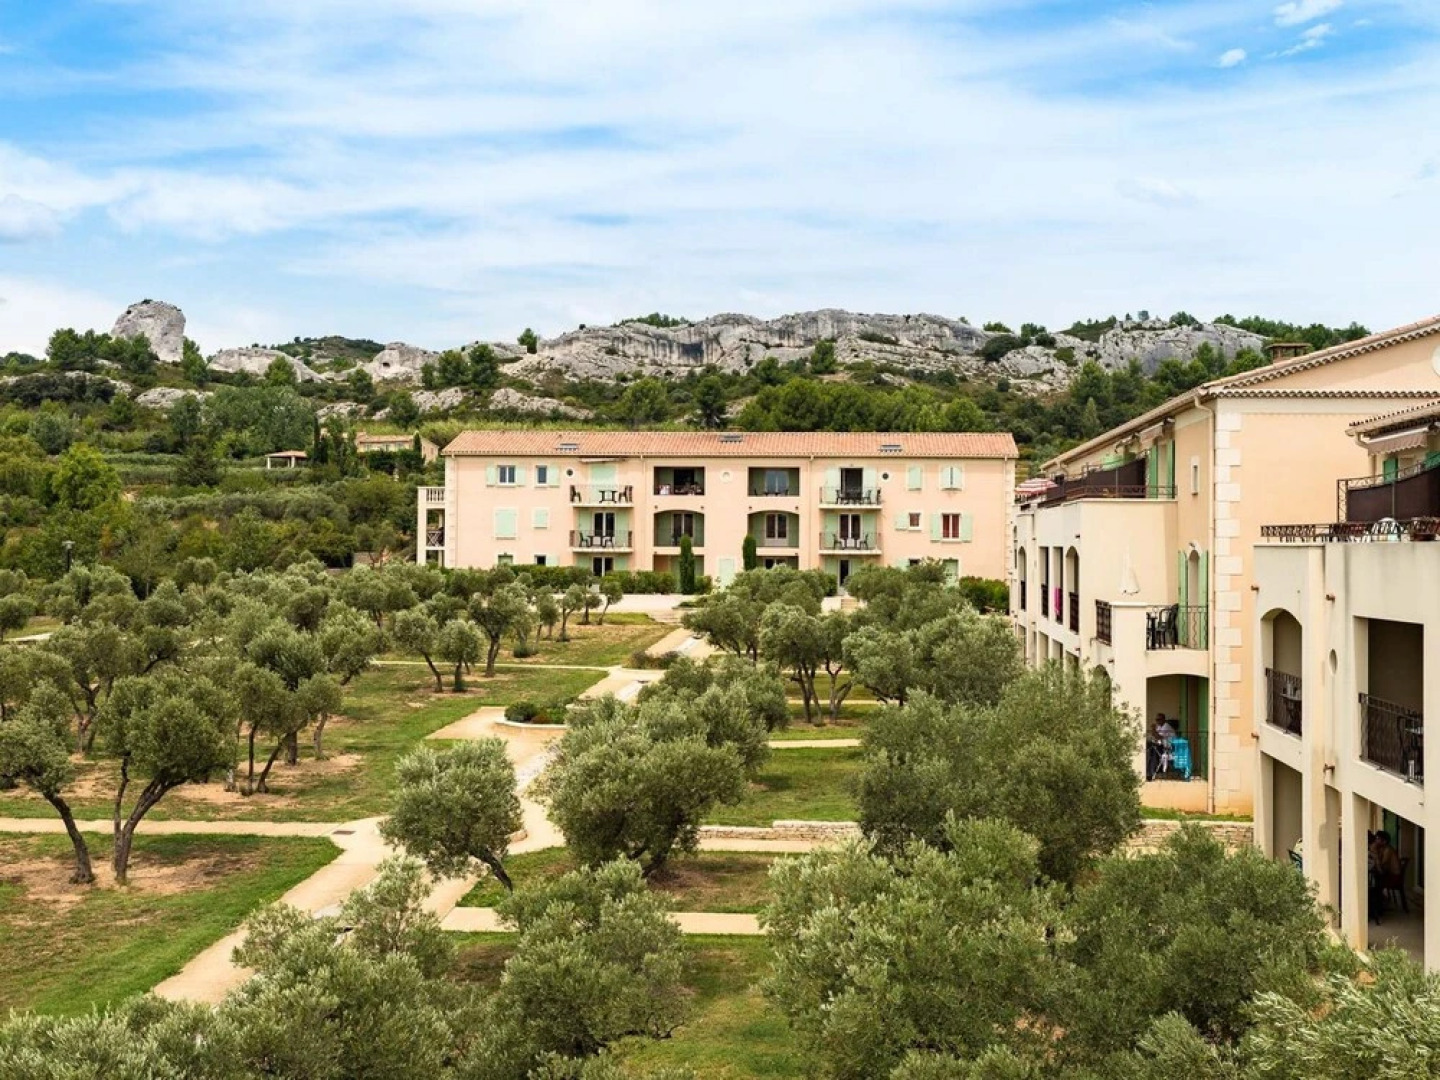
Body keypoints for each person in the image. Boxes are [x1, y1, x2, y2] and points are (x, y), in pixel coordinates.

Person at [1146, 714, 1176, 780]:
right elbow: (1154, 736)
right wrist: (1154, 732)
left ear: (1164, 720)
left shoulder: (1166, 726)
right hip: (1163, 745)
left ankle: (1151, 773)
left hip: (1168, 747)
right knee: (1150, 749)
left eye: (1159, 720)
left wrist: (1153, 729)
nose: (1157, 721)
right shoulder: (1160, 726)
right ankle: (1150, 772)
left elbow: (1158, 736)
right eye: (1156, 720)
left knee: (1153, 752)